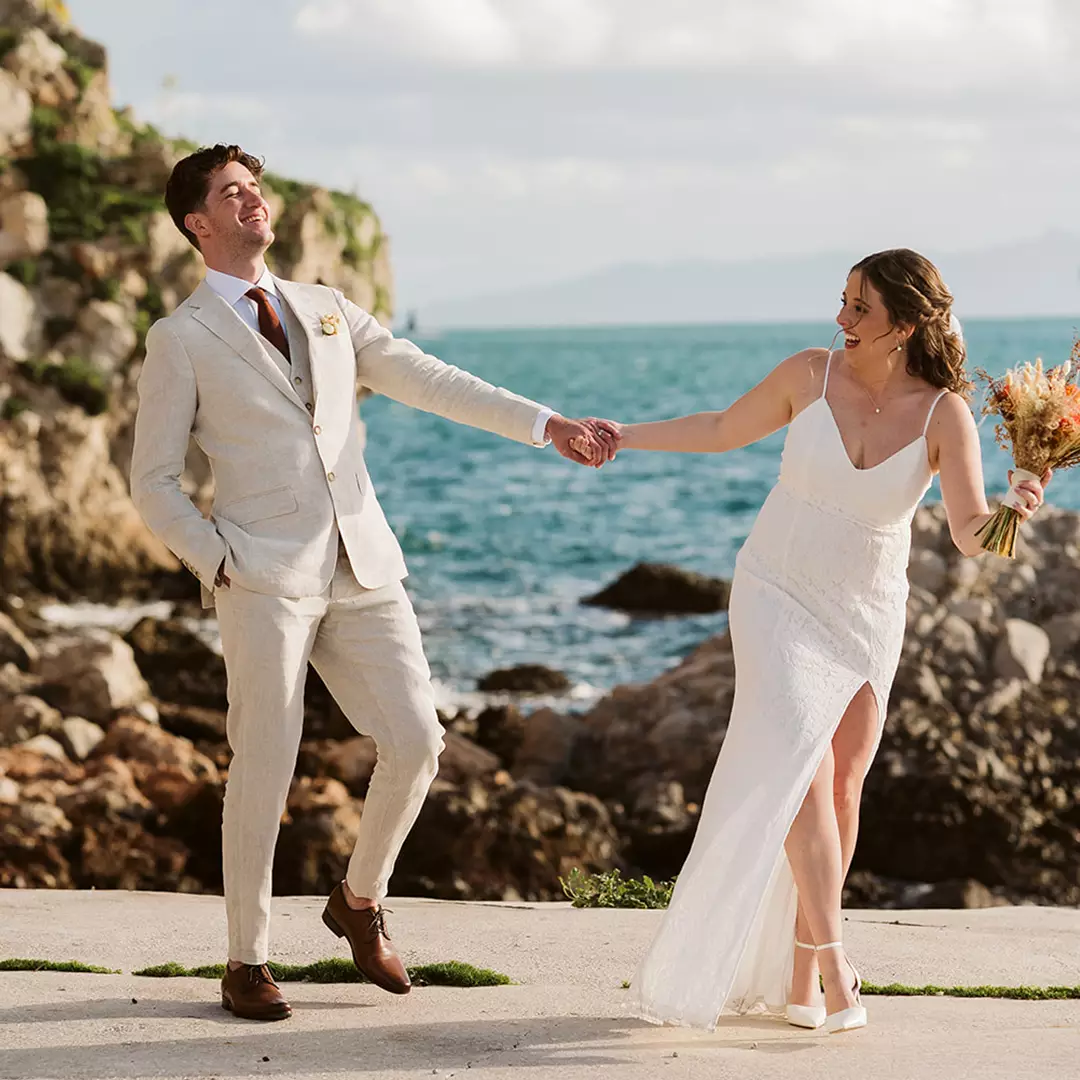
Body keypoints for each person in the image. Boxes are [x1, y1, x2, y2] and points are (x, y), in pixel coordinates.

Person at [129, 144, 616, 1022]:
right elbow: (153, 482)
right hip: (262, 578)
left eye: (256, 190)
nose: (253, 204)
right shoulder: (181, 339)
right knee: (266, 766)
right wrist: (217, 559)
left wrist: (547, 424)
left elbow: (431, 381)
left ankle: (357, 901)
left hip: (364, 565)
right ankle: (246, 961)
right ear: (196, 222)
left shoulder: (326, 310)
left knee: (419, 743)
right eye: (232, 195)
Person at [585, 249, 1048, 1034]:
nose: (841, 320)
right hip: (774, 590)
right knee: (801, 764)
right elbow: (726, 429)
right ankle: (836, 964)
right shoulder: (810, 373)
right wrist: (626, 435)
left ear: (905, 322)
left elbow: (973, 537)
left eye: (859, 308)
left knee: (841, 789)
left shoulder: (945, 415)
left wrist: (1020, 499)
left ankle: (799, 981)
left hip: (868, 609)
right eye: (842, 302)